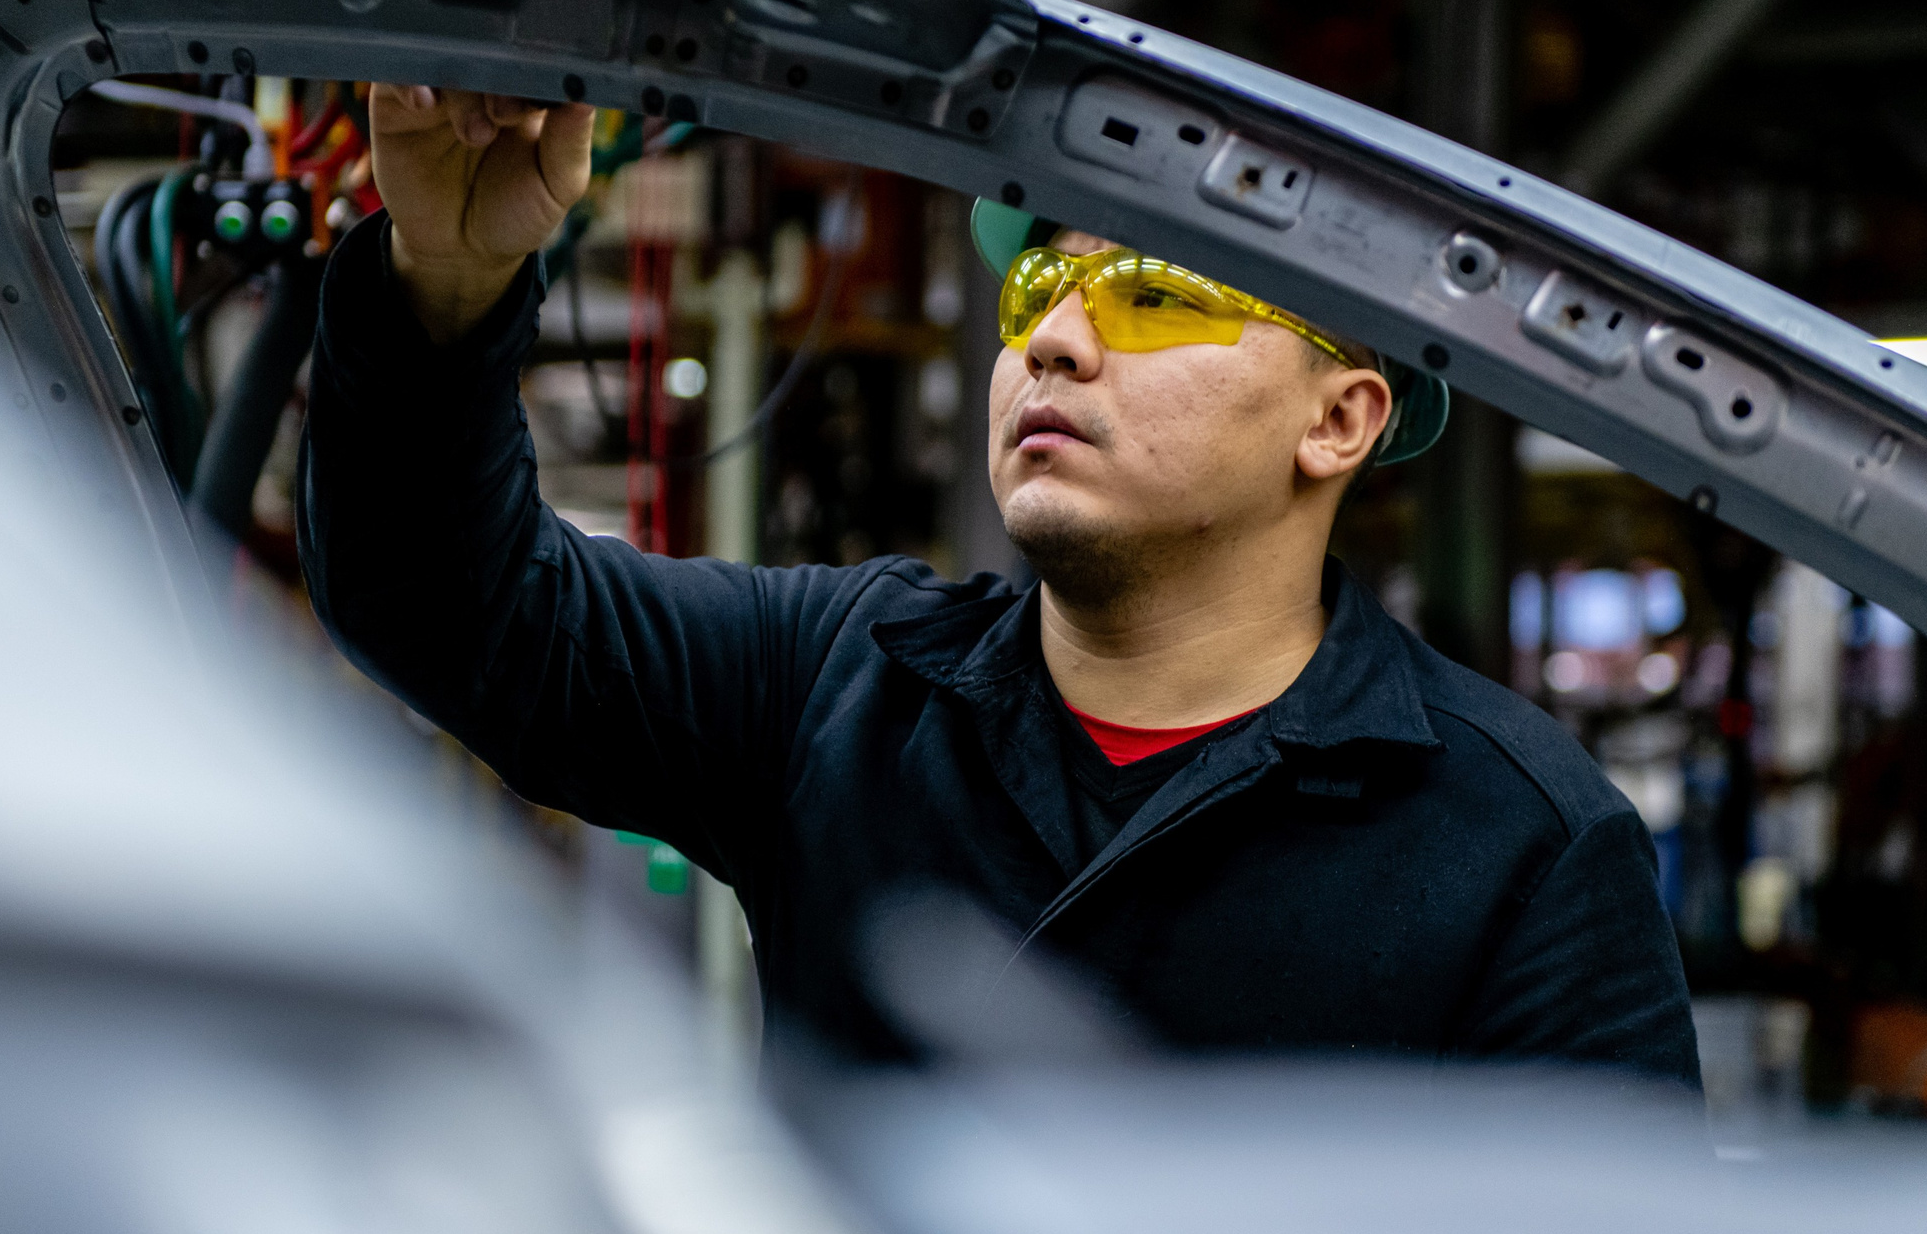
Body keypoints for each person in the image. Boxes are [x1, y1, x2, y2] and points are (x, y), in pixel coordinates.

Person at [298, 85, 1699, 1084]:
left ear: (1337, 422)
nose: (1058, 343)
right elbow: (449, 604)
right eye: (1036, 298)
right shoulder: (841, 684)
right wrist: (453, 275)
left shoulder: (1516, 843)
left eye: (1153, 298)